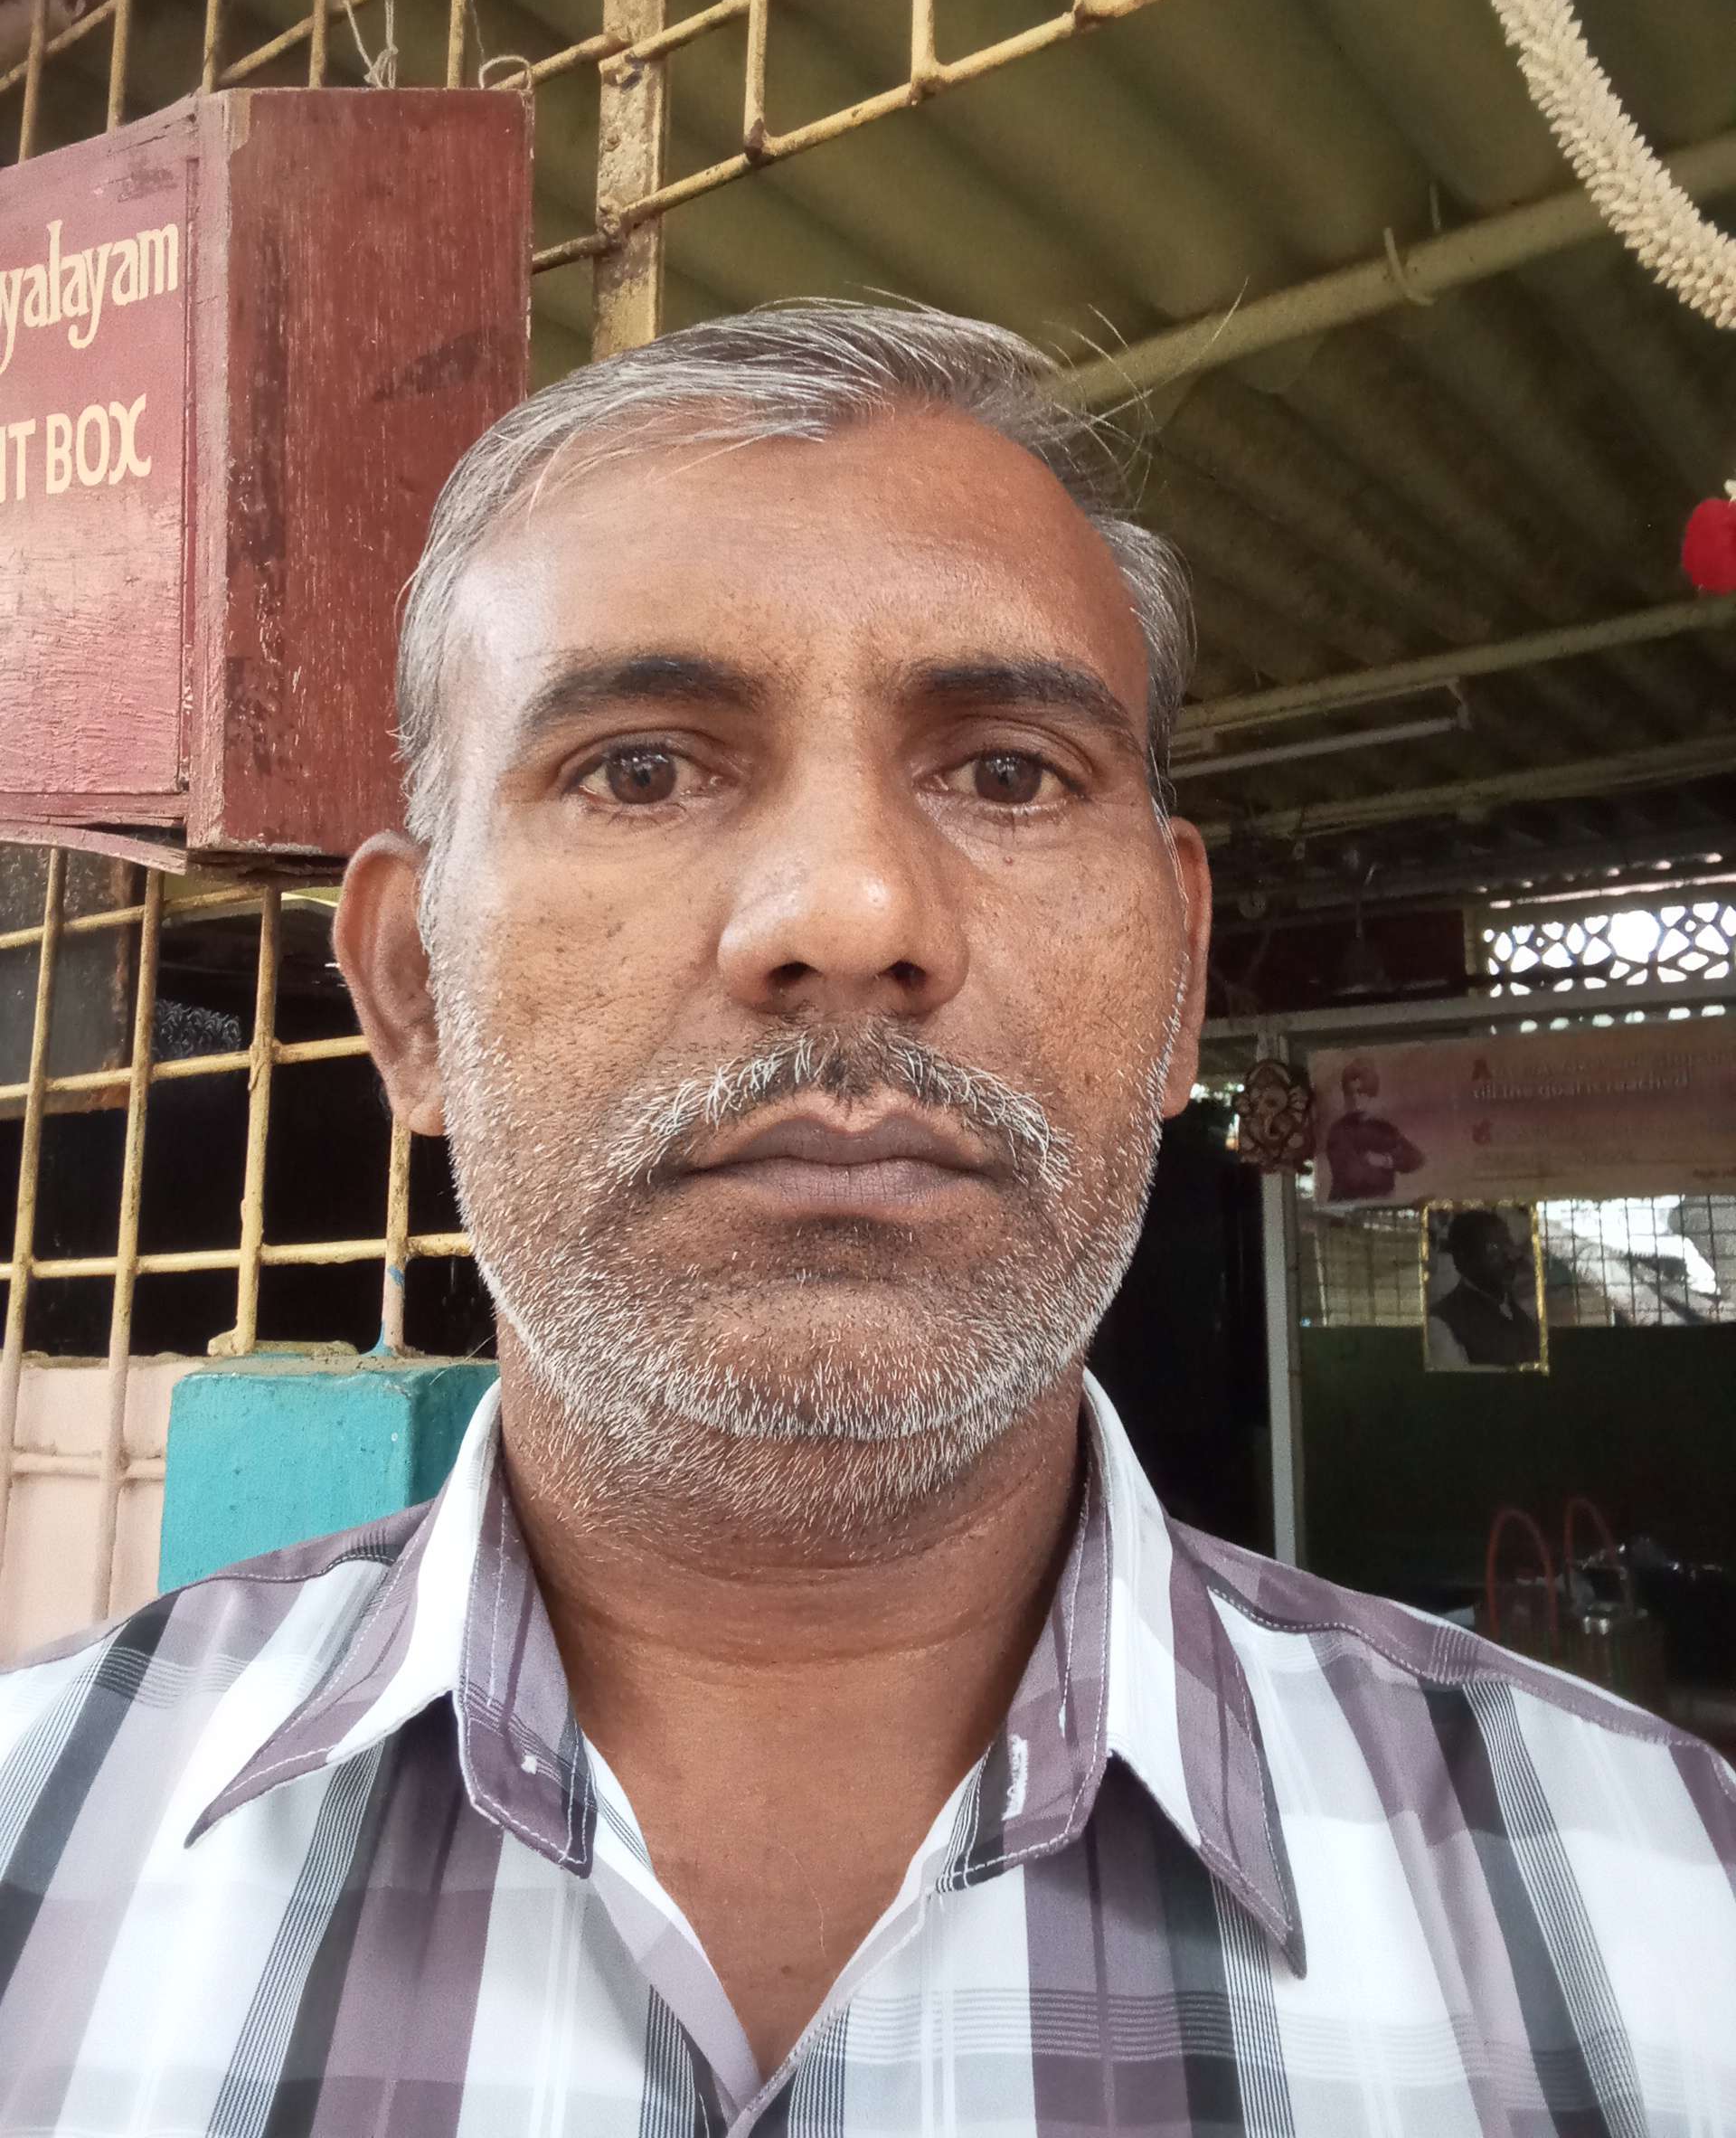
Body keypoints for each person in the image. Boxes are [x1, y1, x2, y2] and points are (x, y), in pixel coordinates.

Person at [1, 305, 1730, 2133]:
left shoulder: (1661, 1931)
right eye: (641, 767)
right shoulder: (40, 1850)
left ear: (1179, 978)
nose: (848, 913)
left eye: (1008, 771)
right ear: (410, 992)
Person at [1428, 1205, 1543, 1368]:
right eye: (1494, 1248)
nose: (1510, 1255)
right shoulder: (1442, 1324)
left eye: (1508, 1243)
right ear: (1463, 1259)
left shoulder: (1521, 1309)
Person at [1320, 1055, 1425, 1200]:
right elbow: (1352, 1175)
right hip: (1347, 1204)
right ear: (1346, 1096)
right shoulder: (1339, 1131)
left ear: (1371, 1096)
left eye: (1363, 1093)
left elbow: (1416, 1158)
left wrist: (1386, 1160)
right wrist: (1377, 1160)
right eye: (1351, 1094)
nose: (1356, 1100)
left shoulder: (1384, 1128)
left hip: (1381, 1203)